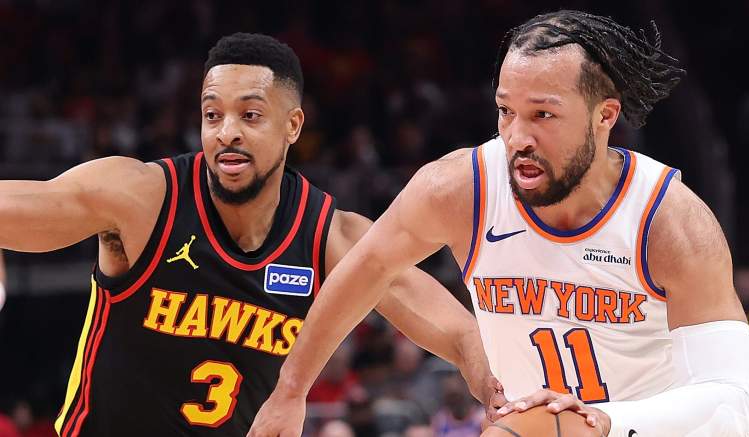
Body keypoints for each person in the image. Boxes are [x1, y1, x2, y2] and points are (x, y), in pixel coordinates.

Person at [252, 10, 749, 437]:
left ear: (605, 117)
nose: (518, 137)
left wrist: (601, 422)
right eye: (506, 111)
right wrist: (291, 391)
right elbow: (368, 270)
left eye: (543, 115)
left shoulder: (670, 222)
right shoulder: (460, 188)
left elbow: (732, 404)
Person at [0, 33, 496, 436]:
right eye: (212, 115)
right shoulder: (140, 199)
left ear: (293, 126)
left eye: (250, 115)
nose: (227, 132)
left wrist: (496, 390)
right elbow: (29, 206)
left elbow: (459, 332)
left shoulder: (329, 236)